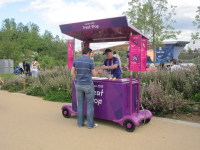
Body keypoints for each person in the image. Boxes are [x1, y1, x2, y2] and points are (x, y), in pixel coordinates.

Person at [71, 47, 100, 129]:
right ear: (88, 53)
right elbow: (94, 74)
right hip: (88, 85)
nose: (90, 55)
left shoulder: (76, 60)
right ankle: (90, 125)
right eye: (90, 53)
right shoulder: (90, 61)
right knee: (90, 104)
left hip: (79, 85)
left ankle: (80, 123)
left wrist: (78, 77)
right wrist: (99, 72)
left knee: (80, 104)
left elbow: (72, 73)